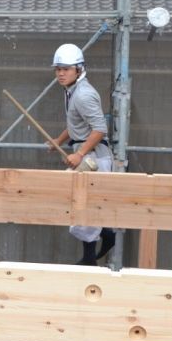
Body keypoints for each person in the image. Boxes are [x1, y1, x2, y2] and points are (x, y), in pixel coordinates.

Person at [47, 43, 116, 266]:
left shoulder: (83, 95)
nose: (60, 73)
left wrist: (80, 154)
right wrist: (59, 140)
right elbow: (76, 124)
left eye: (66, 69)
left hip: (96, 158)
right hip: (89, 155)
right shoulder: (72, 92)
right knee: (82, 206)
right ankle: (105, 235)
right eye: (58, 69)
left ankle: (90, 258)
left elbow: (100, 129)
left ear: (79, 69)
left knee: (82, 208)